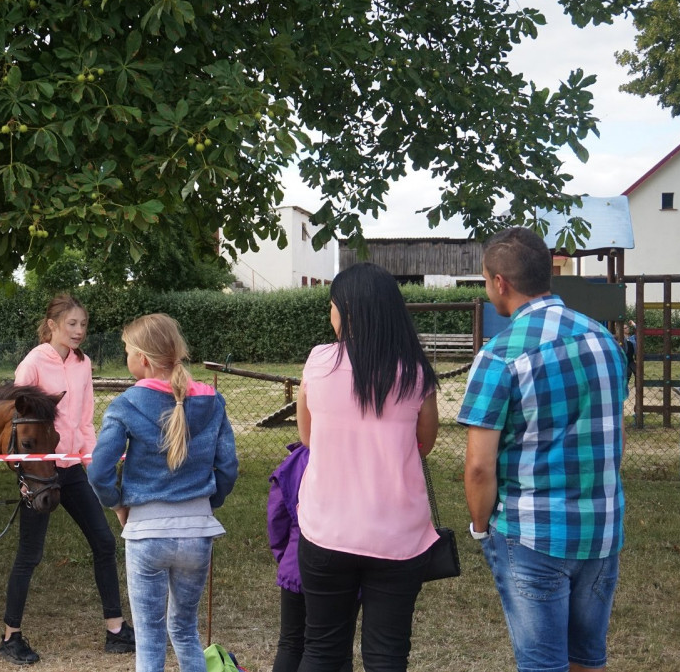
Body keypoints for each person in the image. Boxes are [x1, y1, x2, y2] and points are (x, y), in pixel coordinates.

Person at [458, 227, 625, 672]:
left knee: (542, 665)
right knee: (588, 659)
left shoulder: (499, 355)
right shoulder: (605, 342)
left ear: (499, 283)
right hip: (602, 531)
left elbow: (478, 466)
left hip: (532, 534)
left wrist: (480, 528)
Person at [295, 263, 440, 672]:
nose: (330, 315)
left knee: (321, 649)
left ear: (348, 311)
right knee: (387, 655)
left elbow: (307, 438)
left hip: (326, 530)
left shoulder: (319, 361)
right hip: (398, 536)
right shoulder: (413, 370)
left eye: (332, 307)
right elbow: (424, 442)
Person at [88, 313, 239, 672]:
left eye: (127, 351)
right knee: (185, 631)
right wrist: (207, 503)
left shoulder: (125, 404)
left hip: (147, 535)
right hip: (197, 535)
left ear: (141, 358)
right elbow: (228, 466)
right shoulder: (212, 400)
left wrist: (117, 503)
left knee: (150, 638)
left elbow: (98, 471)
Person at [0, 294, 135, 664]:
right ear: (53, 325)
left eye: (84, 325)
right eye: (72, 324)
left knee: (104, 542)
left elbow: (86, 420)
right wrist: (21, 474)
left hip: (72, 467)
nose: (79, 331)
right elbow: (17, 423)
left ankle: (116, 629)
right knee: (30, 554)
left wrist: (94, 466)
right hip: (41, 471)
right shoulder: (32, 363)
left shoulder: (83, 363)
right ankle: (10, 637)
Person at [267, 442, 352, 672]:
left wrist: (285, 557)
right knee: (340, 648)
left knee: (290, 644)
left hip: (297, 566)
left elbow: (277, 517)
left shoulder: (298, 460)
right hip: (348, 566)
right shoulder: (359, 459)